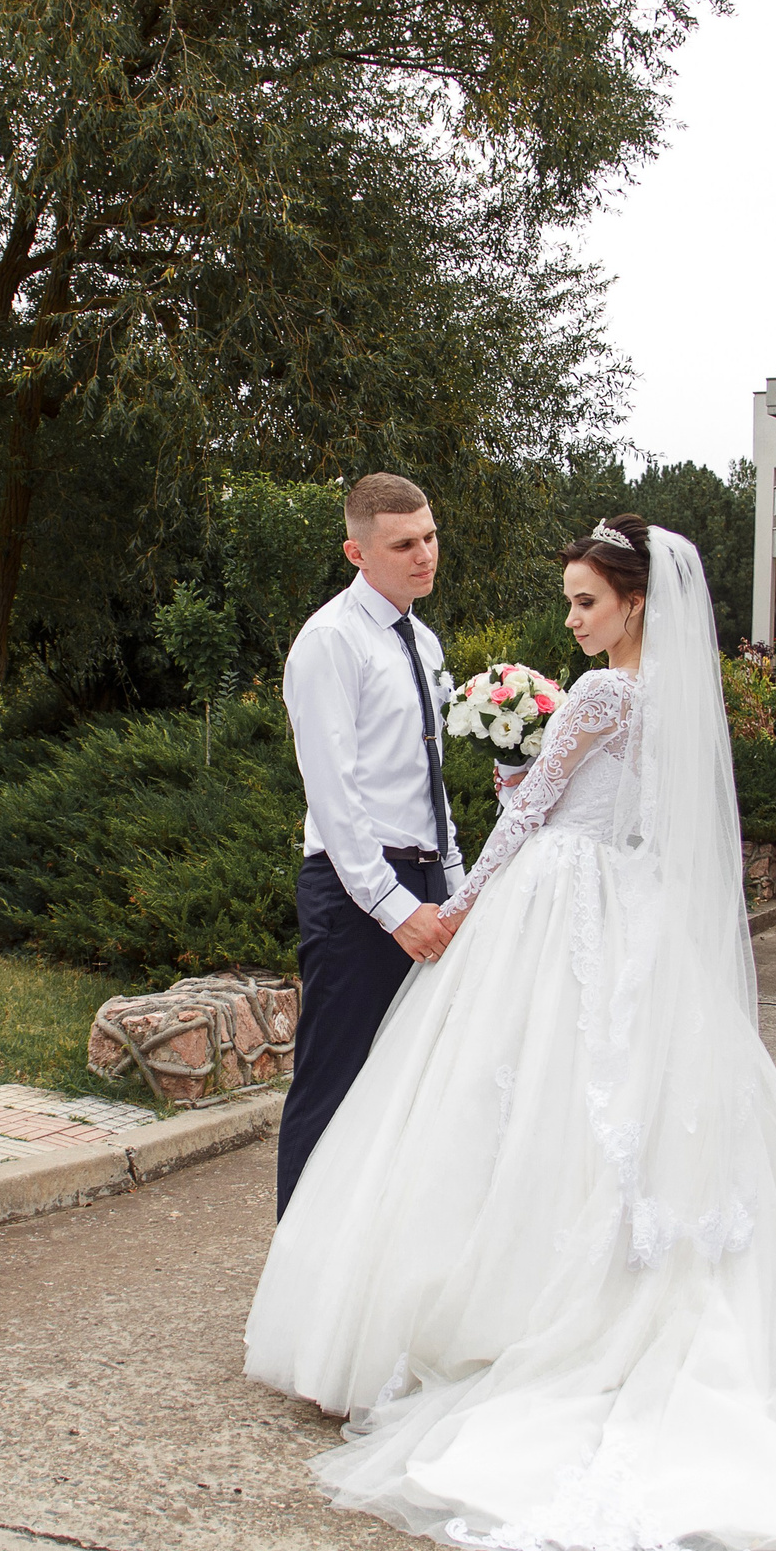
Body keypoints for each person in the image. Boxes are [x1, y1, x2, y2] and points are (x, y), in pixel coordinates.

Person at [247, 515, 776, 1551]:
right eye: (569, 600)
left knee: (517, 1105)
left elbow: (528, 825)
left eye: (584, 601)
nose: (570, 617)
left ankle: (470, 1312)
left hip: (557, 907)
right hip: (636, 916)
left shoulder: (602, 694)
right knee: (610, 1111)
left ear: (634, 604)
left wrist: (458, 911)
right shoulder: (671, 703)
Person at [276, 472, 465, 1217]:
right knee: (334, 1086)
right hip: (357, 896)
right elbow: (336, 795)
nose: (425, 555)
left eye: (430, 537)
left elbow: (429, 778)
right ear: (357, 550)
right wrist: (393, 907)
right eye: (404, 544)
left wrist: (454, 886)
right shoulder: (330, 641)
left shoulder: (422, 639)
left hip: (425, 884)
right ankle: (299, 1285)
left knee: (415, 1088)